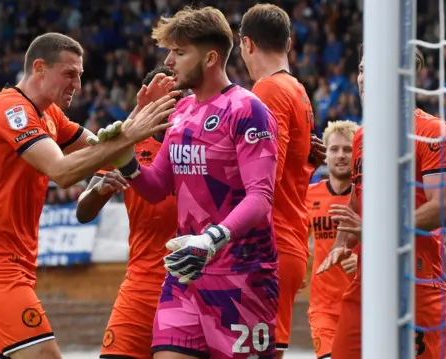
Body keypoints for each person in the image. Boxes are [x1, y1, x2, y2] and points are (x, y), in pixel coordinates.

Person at [0, 32, 178, 359]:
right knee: (46, 355)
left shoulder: (51, 116)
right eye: (70, 74)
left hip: (14, 262)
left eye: (80, 75)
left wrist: (138, 115)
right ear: (40, 68)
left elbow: (102, 148)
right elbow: (61, 171)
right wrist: (133, 131)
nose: (78, 85)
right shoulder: (10, 109)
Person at [113, 6, 279, 359]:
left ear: (210, 58)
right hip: (186, 274)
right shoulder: (182, 111)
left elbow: (260, 196)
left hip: (242, 276)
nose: (170, 61)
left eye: (180, 52)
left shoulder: (248, 109)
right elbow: (157, 186)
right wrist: (124, 158)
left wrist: (210, 239)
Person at [318, 49, 446, 359]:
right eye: (361, 69)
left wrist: (377, 229)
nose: (365, 78)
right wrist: (343, 242)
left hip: (418, 282)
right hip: (366, 283)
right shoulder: (361, 138)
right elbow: (358, 199)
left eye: (375, 69)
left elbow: (445, 208)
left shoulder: (432, 132)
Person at [76, 66, 182, 359]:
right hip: (141, 284)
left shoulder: (201, 143)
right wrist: (100, 190)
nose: (167, 108)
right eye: (158, 100)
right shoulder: (127, 144)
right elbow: (83, 212)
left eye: (174, 98)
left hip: (191, 286)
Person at [238, 4, 320, 355]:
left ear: (246, 44)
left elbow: (263, 177)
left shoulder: (267, 92)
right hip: (288, 241)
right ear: (288, 43)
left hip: (266, 245)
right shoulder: (298, 90)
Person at [304, 120, 359, 359]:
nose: (341, 155)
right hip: (323, 308)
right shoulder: (309, 195)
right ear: (325, 155)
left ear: (358, 154)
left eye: (348, 149)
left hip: (364, 306)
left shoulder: (372, 197)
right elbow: (297, 239)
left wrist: (363, 261)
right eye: (334, 149)